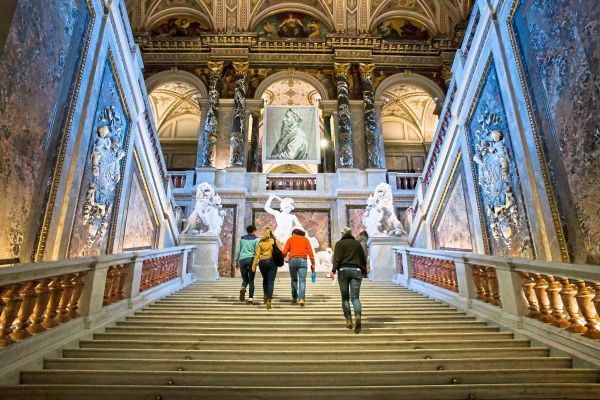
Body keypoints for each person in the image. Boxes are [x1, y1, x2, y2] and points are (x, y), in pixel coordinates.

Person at [330, 227, 367, 333]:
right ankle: (358, 316)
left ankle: (349, 321)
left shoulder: (339, 244)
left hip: (343, 271)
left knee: (345, 298)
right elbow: (363, 259)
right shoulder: (357, 244)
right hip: (356, 271)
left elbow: (337, 259)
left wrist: (333, 271)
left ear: (342, 234)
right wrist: (363, 271)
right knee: (355, 298)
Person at [283, 229, 315, 306]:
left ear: (293, 233)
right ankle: (301, 299)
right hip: (302, 261)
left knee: (294, 279)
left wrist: (281, 258)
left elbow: (284, 253)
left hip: (292, 261)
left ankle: (294, 297)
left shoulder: (290, 239)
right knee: (302, 281)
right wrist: (313, 263)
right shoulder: (305, 239)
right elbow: (310, 252)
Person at [252, 227, 282, 310]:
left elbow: (257, 255)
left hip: (262, 262)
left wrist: (254, 265)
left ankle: (265, 294)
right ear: (271, 233)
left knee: (265, 279)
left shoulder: (261, 242)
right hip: (272, 262)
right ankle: (269, 299)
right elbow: (281, 252)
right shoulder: (276, 241)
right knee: (271, 281)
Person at [235, 224, 259, 304]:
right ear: (254, 230)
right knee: (251, 280)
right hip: (251, 259)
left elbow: (238, 251)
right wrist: (256, 262)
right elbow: (256, 252)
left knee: (245, 279)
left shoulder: (242, 239)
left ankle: (243, 287)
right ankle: (250, 298)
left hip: (242, 260)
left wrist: (236, 261)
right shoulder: (257, 239)